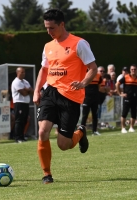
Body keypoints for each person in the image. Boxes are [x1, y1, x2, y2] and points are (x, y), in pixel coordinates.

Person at [33, 9, 97, 184]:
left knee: (64, 145)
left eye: (52, 28)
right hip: (50, 92)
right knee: (42, 132)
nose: (49, 32)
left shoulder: (79, 44)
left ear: (62, 24)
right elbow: (44, 69)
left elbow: (93, 68)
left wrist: (83, 83)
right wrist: (37, 90)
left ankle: (80, 132)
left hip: (70, 97)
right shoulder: (48, 46)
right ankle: (47, 174)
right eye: (46, 28)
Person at [11, 67, 34, 143]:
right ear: (17, 73)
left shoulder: (25, 82)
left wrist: (27, 90)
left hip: (25, 103)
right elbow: (23, 93)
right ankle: (17, 137)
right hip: (19, 103)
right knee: (19, 120)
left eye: (24, 72)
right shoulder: (16, 82)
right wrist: (27, 90)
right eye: (22, 72)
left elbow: (32, 91)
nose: (23, 74)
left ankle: (22, 136)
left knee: (24, 120)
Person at [115, 64, 137, 134]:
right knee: (124, 113)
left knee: (134, 114)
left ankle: (131, 127)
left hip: (135, 98)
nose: (133, 71)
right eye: (132, 69)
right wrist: (120, 93)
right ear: (130, 70)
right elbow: (117, 84)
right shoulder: (126, 77)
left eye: (135, 69)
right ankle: (123, 128)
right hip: (127, 98)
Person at [81, 71, 103, 136]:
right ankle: (81, 132)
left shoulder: (98, 76)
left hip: (95, 98)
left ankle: (95, 130)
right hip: (86, 98)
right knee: (85, 115)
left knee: (95, 115)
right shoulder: (84, 74)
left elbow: (99, 86)